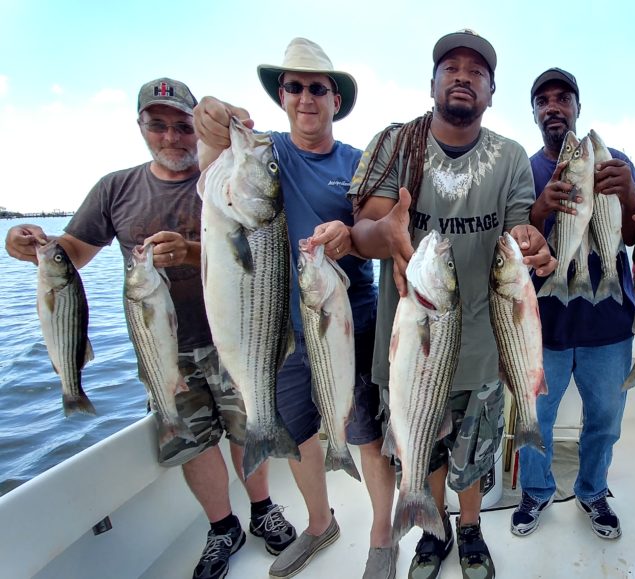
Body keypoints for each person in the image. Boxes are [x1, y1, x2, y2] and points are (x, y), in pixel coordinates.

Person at [5, 77, 297, 579]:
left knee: (246, 424)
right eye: (157, 125)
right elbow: (71, 255)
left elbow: (248, 243)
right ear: (140, 127)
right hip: (162, 344)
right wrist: (26, 243)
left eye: (183, 126)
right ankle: (221, 526)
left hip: (235, 333)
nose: (171, 137)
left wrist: (223, 118)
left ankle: (263, 507)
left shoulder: (217, 177)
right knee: (190, 440)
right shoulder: (115, 188)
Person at [348, 29, 556, 579]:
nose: (463, 76)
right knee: (425, 443)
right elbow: (361, 232)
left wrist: (531, 243)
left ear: (490, 92)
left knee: (475, 450)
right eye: (451, 68)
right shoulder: (397, 144)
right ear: (433, 82)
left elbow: (518, 227)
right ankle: (430, 527)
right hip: (411, 340)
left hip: (488, 343)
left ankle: (469, 529)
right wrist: (386, 233)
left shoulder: (510, 156)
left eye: (477, 71)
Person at [192, 38, 396, 579]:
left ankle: (382, 536)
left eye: (317, 88)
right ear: (282, 96)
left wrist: (350, 234)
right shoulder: (263, 151)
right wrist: (211, 113)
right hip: (275, 326)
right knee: (299, 430)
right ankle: (318, 522)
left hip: (350, 318)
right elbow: (211, 139)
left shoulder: (357, 162)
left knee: (364, 432)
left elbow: (383, 224)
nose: (306, 97)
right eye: (294, 86)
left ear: (336, 99)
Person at [511, 67, 635, 540]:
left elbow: (632, 237)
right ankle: (536, 489)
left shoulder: (615, 162)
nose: (553, 107)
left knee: (605, 418)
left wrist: (626, 191)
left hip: (607, 324)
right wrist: (541, 208)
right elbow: (512, 240)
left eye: (562, 98)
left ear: (577, 107)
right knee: (536, 419)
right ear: (534, 113)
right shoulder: (524, 170)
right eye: (543, 101)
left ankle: (592, 490)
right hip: (543, 323)